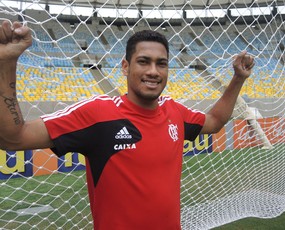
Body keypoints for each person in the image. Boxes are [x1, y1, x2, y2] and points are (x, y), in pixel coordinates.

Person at [0, 20, 254, 230]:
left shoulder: (174, 112)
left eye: (161, 63)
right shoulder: (98, 113)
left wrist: (237, 79)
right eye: (144, 61)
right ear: (125, 66)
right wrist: (7, 61)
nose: (153, 71)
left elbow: (215, 121)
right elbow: (13, 138)